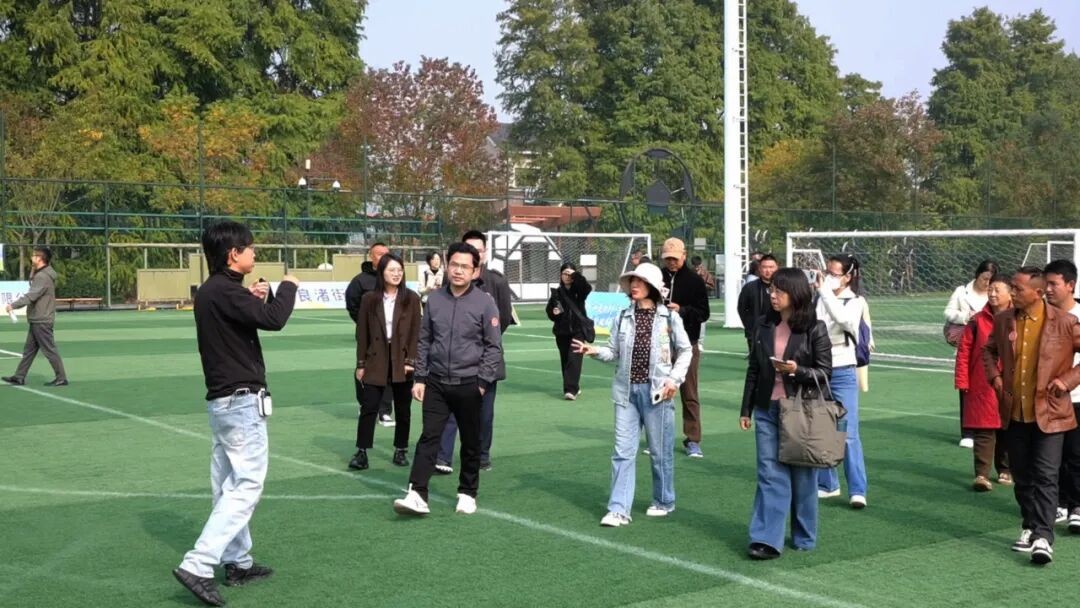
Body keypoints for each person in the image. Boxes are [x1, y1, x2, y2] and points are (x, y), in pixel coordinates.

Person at [172, 221, 298, 607]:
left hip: (222, 402)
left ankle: (238, 561)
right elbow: (275, 319)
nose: (254, 253)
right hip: (241, 401)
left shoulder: (214, 291)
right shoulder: (225, 291)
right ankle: (199, 563)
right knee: (246, 485)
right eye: (249, 248)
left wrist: (253, 296)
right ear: (233, 254)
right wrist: (288, 286)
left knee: (227, 484)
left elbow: (247, 313)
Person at [572, 262, 693, 526]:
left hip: (658, 393)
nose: (634, 285)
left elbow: (686, 350)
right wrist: (594, 351)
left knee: (660, 453)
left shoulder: (669, 318)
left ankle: (663, 500)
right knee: (623, 452)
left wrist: (674, 380)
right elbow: (613, 352)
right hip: (626, 393)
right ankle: (618, 509)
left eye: (639, 281)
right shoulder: (623, 316)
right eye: (631, 282)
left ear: (652, 286)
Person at [392, 242, 503, 516]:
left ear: (475, 271)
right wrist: (420, 377)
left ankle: (467, 492)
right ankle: (417, 493)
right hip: (437, 382)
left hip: (470, 382)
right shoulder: (434, 300)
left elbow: (493, 347)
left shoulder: (485, 303)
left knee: (470, 441)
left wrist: (481, 382)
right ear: (446, 265)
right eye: (454, 264)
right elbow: (425, 340)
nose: (458, 270)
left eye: (465, 266)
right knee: (429, 437)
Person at [982, 267, 1080, 565]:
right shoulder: (1003, 320)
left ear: (1037, 293)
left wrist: (1067, 381)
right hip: (1014, 413)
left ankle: (1042, 537)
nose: (1011, 293)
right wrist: (995, 377)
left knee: (1046, 476)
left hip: (1052, 413)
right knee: (1023, 477)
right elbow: (988, 351)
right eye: (1011, 287)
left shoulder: (1065, 322)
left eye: (1017, 289)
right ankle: (1029, 525)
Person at [739, 267, 832, 560]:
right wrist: (746, 408)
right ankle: (766, 539)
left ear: (796, 293)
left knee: (803, 476)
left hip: (802, 411)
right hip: (767, 409)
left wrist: (797, 370)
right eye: (772, 290)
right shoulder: (764, 324)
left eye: (779, 290)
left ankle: (804, 535)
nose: (773, 295)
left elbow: (825, 372)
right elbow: (754, 368)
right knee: (769, 473)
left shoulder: (814, 328)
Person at [436, 230, 513, 473]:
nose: (473, 255)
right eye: (468, 249)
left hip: (486, 361)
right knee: (449, 411)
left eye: (478, 251)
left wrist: (483, 342)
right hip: (455, 360)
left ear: (485, 254)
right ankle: (443, 458)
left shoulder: (497, 282)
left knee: (483, 414)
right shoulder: (451, 279)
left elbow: (504, 318)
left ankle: (481, 456)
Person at [350, 254, 422, 470]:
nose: (396, 274)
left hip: (402, 359)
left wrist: (411, 360)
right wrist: (361, 364)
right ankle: (362, 452)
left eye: (399, 270)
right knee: (369, 407)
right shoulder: (369, 299)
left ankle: (401, 449)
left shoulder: (411, 298)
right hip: (376, 357)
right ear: (381, 272)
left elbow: (416, 332)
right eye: (391, 270)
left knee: (403, 409)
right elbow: (362, 333)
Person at [814, 254, 870, 508]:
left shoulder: (855, 301)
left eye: (834, 274)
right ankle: (827, 484)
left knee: (847, 432)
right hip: (819, 369)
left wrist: (825, 293)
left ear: (847, 277)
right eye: (827, 272)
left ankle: (857, 489)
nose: (828, 277)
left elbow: (844, 320)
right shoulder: (820, 298)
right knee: (822, 429)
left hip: (843, 370)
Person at [955, 273, 1013, 492]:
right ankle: (981, 474)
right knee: (983, 429)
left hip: (1011, 383)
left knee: (1007, 428)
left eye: (998, 290)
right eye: (990, 289)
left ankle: (1005, 469)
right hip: (982, 383)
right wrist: (962, 379)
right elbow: (964, 351)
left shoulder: (1019, 319)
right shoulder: (977, 320)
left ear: (1010, 293)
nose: (992, 293)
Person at [660, 238, 711, 458]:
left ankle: (693, 439)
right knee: (659, 391)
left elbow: (704, 313)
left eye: (675, 258)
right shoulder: (655, 278)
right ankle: (658, 437)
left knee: (689, 393)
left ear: (684, 255)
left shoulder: (695, 281)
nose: (671, 262)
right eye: (667, 258)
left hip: (687, 345)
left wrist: (682, 310)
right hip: (660, 345)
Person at [946, 259, 999, 448]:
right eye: (984, 278)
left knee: (992, 389)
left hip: (992, 348)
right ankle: (967, 432)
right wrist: (965, 317)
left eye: (991, 280)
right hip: (969, 344)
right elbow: (948, 312)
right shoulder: (962, 292)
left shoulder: (995, 294)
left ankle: (991, 428)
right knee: (966, 387)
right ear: (977, 275)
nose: (987, 284)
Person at [1043, 259, 1080, 531]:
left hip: (1077, 396)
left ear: (1070, 285)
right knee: (1050, 457)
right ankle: (1058, 503)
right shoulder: (1042, 316)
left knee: (1076, 453)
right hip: (1049, 399)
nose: (1047, 289)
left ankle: (1076, 505)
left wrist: (1068, 382)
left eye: (1053, 284)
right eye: (1045, 284)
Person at [345, 242, 396, 428]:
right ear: (371, 256)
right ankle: (365, 404)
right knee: (364, 367)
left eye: (386, 254)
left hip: (391, 334)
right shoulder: (360, 281)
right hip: (367, 333)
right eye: (379, 254)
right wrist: (364, 323)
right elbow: (352, 304)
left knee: (390, 369)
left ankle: (384, 410)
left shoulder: (394, 278)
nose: (383, 257)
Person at [3, 246, 68, 387]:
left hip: (41, 319)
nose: (32, 258)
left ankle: (61, 377)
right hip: (38, 318)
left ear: (40, 258)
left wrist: (13, 305)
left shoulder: (42, 277)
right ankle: (19, 376)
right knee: (29, 351)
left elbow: (31, 296)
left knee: (49, 350)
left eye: (34, 256)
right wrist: (33, 269)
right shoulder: (42, 274)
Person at [546, 262, 593, 400]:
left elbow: (587, 287)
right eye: (564, 273)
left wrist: (576, 275)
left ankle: (570, 390)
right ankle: (574, 386)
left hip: (578, 330)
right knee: (566, 360)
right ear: (560, 275)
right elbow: (550, 311)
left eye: (570, 273)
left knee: (574, 358)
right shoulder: (556, 293)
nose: (567, 276)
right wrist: (554, 312)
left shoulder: (579, 291)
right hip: (562, 332)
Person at [737, 254, 778, 350]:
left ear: (777, 268)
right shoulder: (750, 287)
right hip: (755, 333)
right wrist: (750, 326)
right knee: (756, 358)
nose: (768, 270)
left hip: (778, 332)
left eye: (771, 267)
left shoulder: (784, 286)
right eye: (765, 267)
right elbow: (741, 308)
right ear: (759, 268)